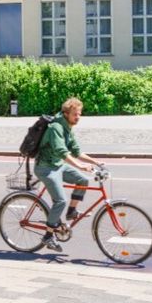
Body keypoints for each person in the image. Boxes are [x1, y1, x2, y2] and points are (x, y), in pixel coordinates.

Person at [34, 97, 103, 252]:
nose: (78, 117)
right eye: (75, 114)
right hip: (45, 168)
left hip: (57, 165)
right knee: (60, 201)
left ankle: (71, 212)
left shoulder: (67, 127)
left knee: (83, 179)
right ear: (66, 114)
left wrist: (96, 162)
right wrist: (79, 165)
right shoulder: (56, 128)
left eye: (79, 114)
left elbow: (76, 151)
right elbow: (62, 151)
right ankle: (48, 236)